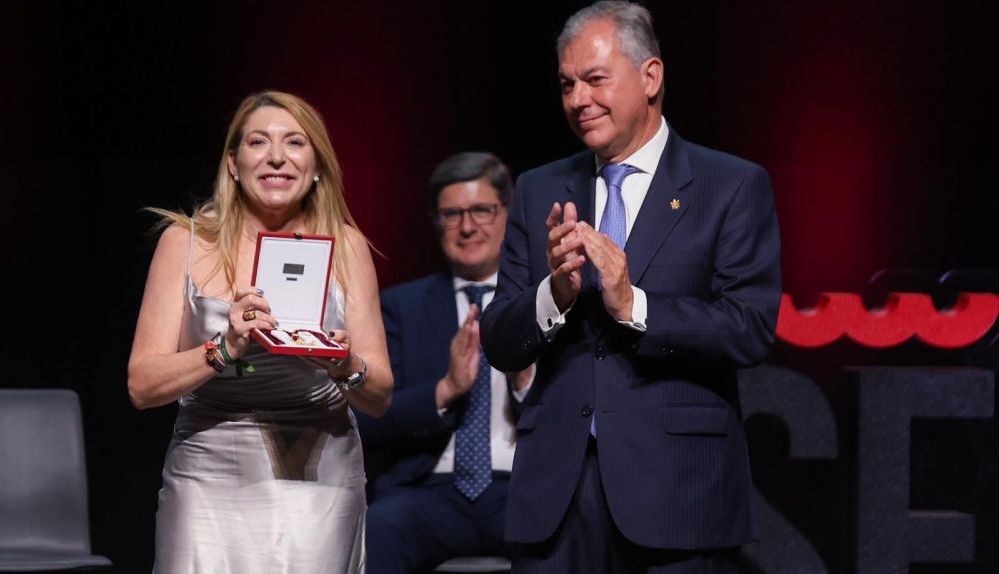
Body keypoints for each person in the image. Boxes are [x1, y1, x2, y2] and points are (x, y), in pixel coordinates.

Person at [480, 2, 781, 573]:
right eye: (567, 84)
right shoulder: (540, 188)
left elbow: (750, 329)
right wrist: (554, 295)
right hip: (557, 492)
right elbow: (499, 341)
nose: (578, 99)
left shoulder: (730, 186)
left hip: (676, 490)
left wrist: (633, 304)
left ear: (651, 77)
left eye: (595, 79)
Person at [127, 91, 392, 573]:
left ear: (316, 165)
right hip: (207, 474)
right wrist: (223, 348)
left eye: (294, 142)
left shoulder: (347, 246)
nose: (276, 157)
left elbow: (379, 397)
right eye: (257, 142)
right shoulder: (184, 242)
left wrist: (344, 364)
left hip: (319, 476)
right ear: (233, 163)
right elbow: (142, 386)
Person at [357, 152, 532, 573]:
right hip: (429, 491)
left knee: (573, 521)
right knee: (380, 525)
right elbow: (369, 418)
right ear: (437, 223)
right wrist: (446, 389)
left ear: (508, 214)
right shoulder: (400, 306)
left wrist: (524, 379)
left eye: (482, 210)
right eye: (452, 215)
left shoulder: (539, 301)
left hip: (521, 486)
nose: (467, 227)